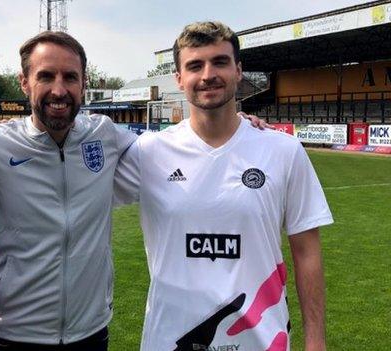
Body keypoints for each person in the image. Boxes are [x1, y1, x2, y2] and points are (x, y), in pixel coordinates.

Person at [0, 31, 270, 351]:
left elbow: (183, 149)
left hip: (89, 335)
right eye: (46, 76)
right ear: (25, 83)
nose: (59, 89)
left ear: (83, 83)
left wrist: (238, 123)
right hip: (10, 338)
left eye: (70, 77)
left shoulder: (107, 137)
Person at [117, 21, 333, 351]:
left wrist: (316, 341)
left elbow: (307, 253)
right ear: (178, 78)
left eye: (220, 62)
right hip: (170, 341)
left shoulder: (283, 151)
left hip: (263, 342)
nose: (208, 75)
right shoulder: (147, 153)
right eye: (194, 65)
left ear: (238, 71)